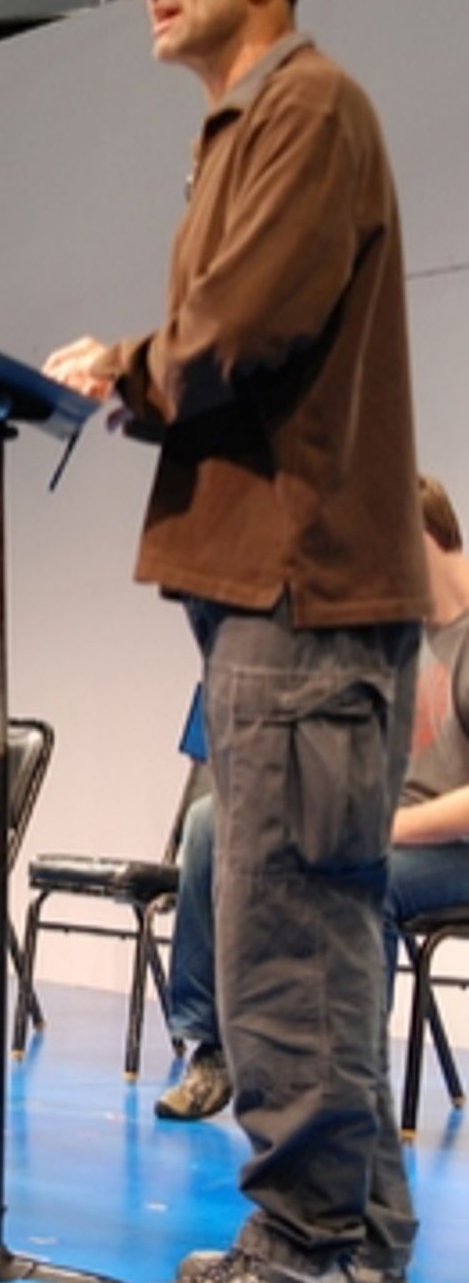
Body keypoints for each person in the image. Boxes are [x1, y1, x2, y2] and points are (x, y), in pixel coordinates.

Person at [44, 0, 430, 1283]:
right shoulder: (254, 119)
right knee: (292, 907)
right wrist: (146, 367)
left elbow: (246, 323)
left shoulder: (306, 109)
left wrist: (128, 363)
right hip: (271, 578)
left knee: (287, 921)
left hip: (304, 582)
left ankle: (320, 1241)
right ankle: (347, 1230)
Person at [158, 474, 469, 1140]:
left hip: (452, 849)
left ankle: (350, 1102)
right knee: (214, 823)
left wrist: (386, 828)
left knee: (367, 883)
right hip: (386, 825)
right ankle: (210, 1047)